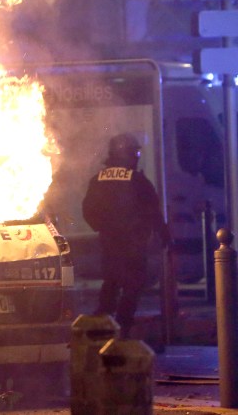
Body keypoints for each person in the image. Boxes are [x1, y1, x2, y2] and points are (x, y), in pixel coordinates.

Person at [82, 133, 170, 338]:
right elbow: (153, 211)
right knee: (132, 286)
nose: (138, 156)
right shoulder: (137, 180)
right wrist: (164, 236)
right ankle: (122, 330)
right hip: (132, 244)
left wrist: (103, 228)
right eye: (136, 152)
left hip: (109, 243)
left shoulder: (98, 179)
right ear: (127, 154)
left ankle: (100, 331)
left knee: (111, 284)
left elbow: (88, 210)